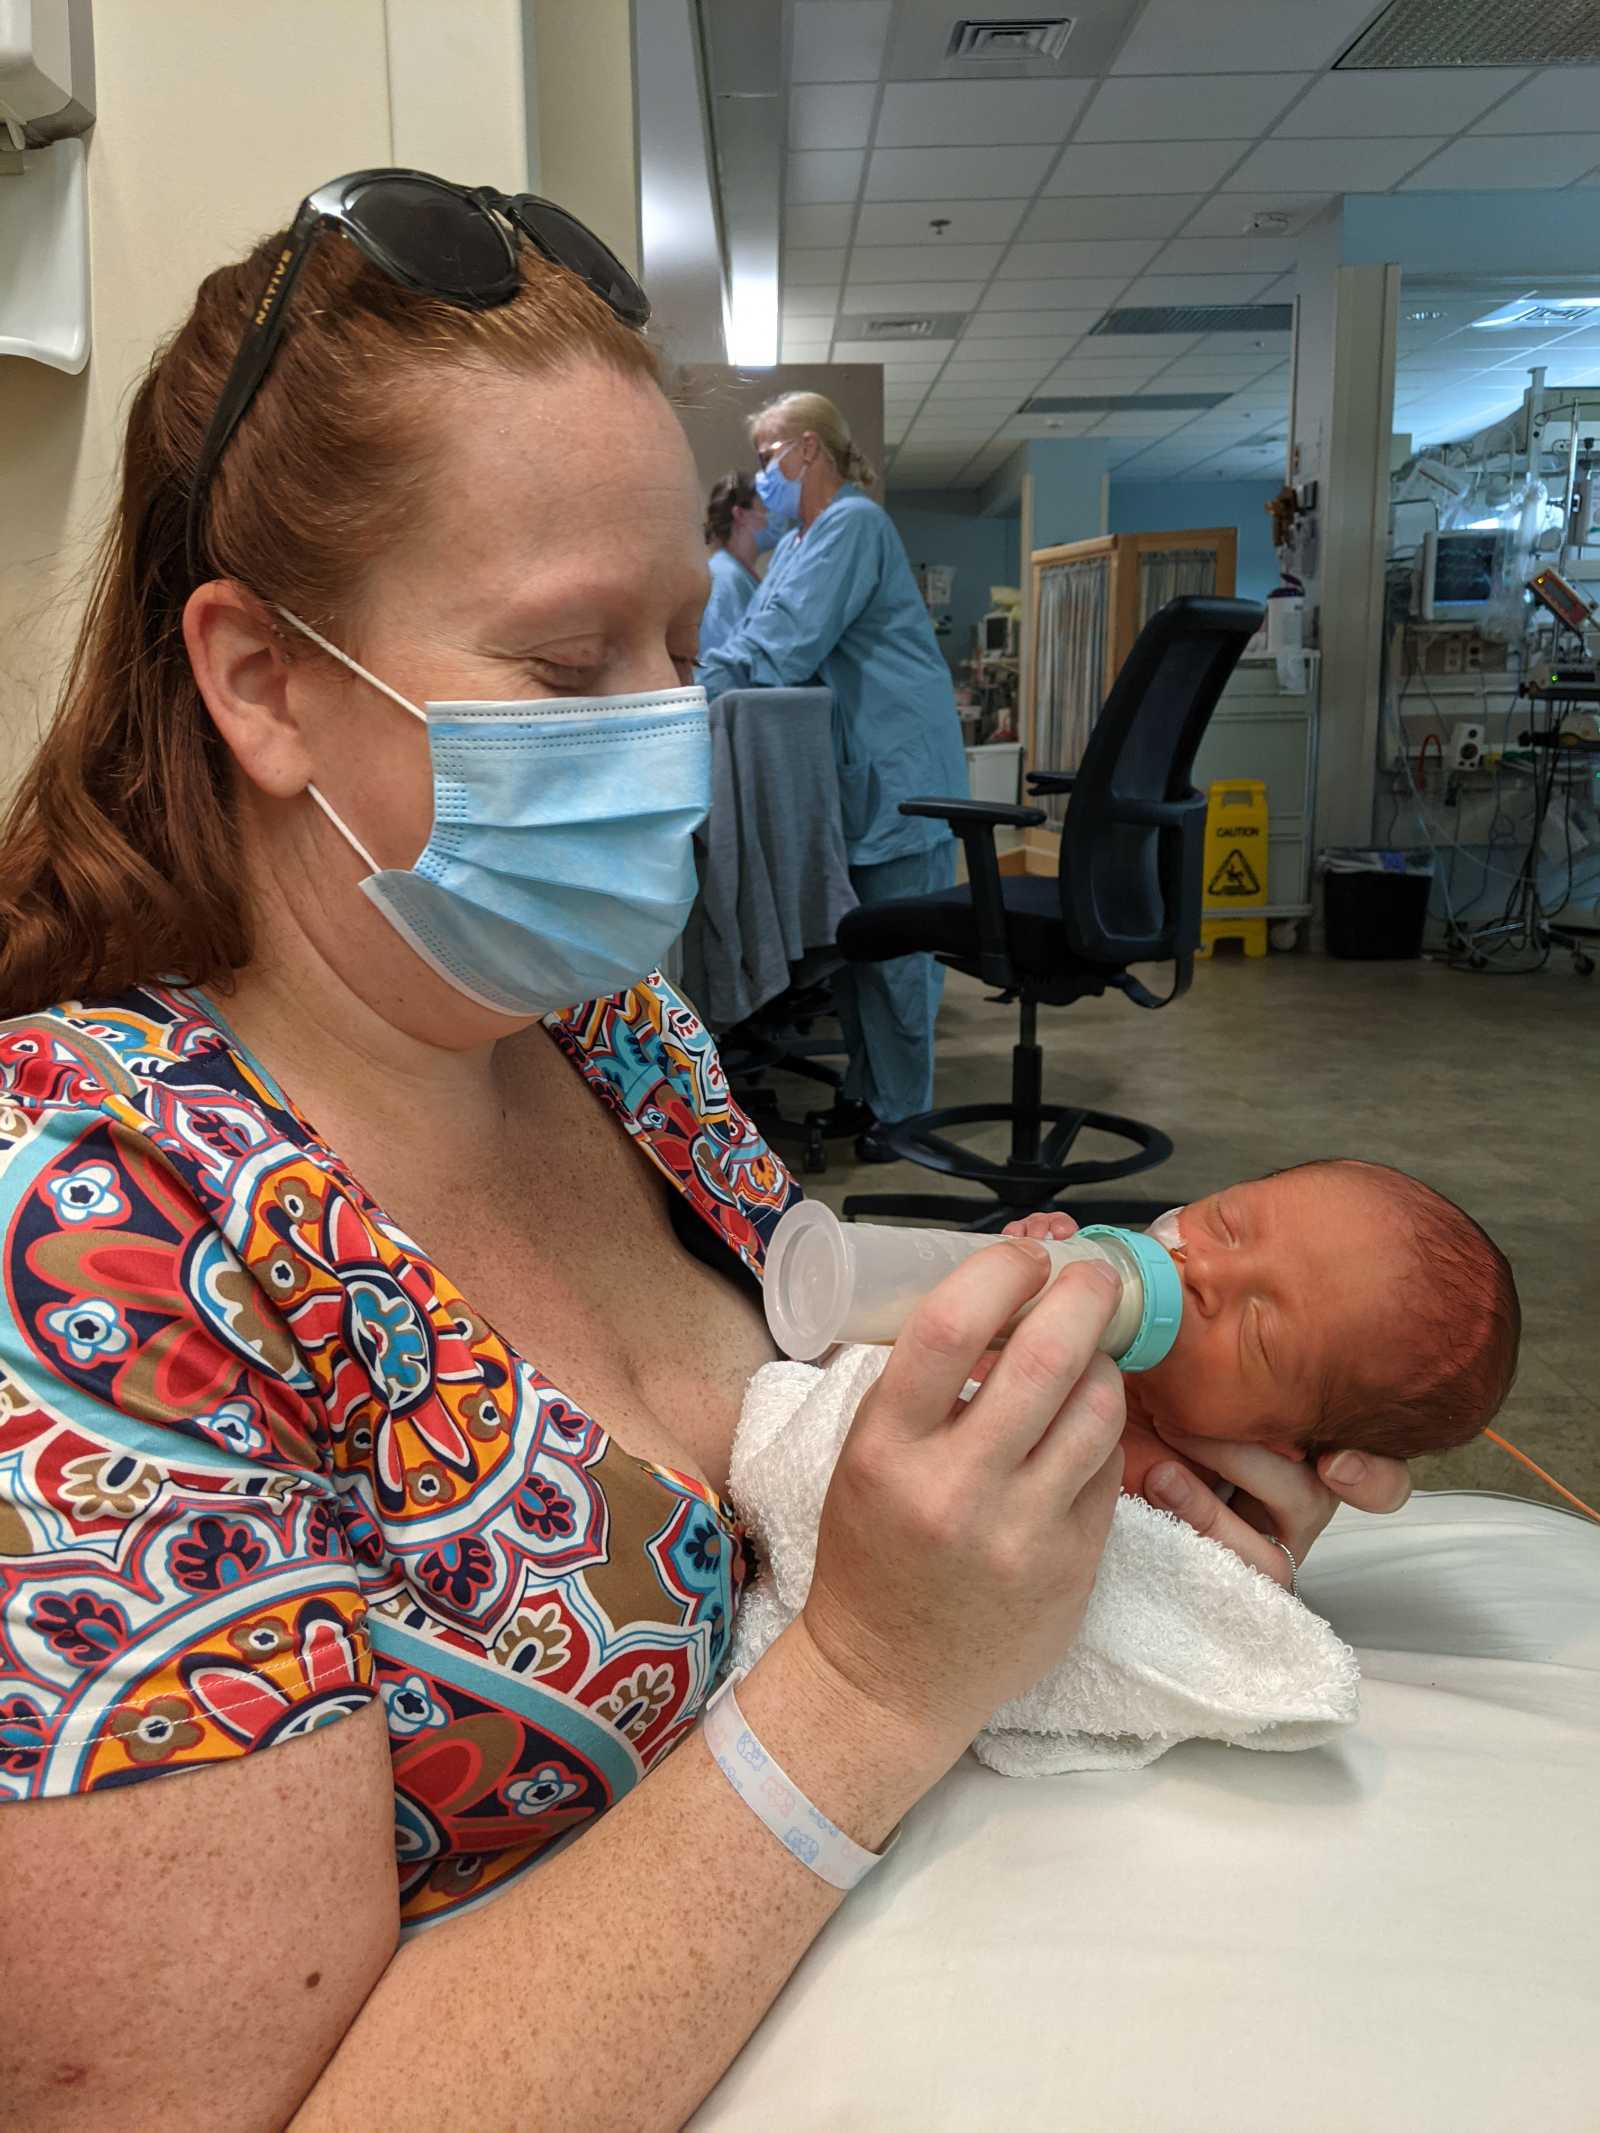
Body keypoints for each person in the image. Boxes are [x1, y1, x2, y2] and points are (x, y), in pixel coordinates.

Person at [0, 168, 1414, 2133]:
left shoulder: (603, 1032)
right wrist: (874, 1682)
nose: (674, 727)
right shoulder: (88, 1235)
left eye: (684, 634)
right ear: (265, 683)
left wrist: (1110, 1503)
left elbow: (813, 1419)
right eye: (569, 662)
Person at [696, 391, 969, 1160]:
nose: (762, 476)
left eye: (768, 457)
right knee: (858, 950)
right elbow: (754, 634)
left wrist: (679, 691)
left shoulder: (854, 525)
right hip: (859, 776)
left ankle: (903, 1115)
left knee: (898, 959)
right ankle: (866, 1094)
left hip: (903, 772)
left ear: (809, 448)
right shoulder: (794, 545)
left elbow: (782, 648)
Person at [1007, 1159, 1521, 1506]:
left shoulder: (1153, 1480)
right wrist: (1033, 1256)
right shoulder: (1097, 1284)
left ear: (1277, 1444)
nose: (1206, 1271)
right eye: (1227, 1224)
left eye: (1257, 1333)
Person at [699, 470, 768, 663]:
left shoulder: (743, 576)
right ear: (740, 514)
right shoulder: (722, 577)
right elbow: (715, 660)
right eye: (765, 507)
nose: (773, 514)